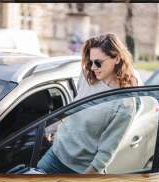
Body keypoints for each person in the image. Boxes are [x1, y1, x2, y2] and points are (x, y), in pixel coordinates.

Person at [37, 33, 141, 174]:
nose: (92, 67)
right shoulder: (87, 76)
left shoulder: (125, 103)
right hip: (56, 152)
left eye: (98, 62)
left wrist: (87, 179)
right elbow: (74, 107)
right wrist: (52, 127)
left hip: (80, 169)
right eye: (91, 62)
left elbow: (106, 152)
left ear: (116, 58)